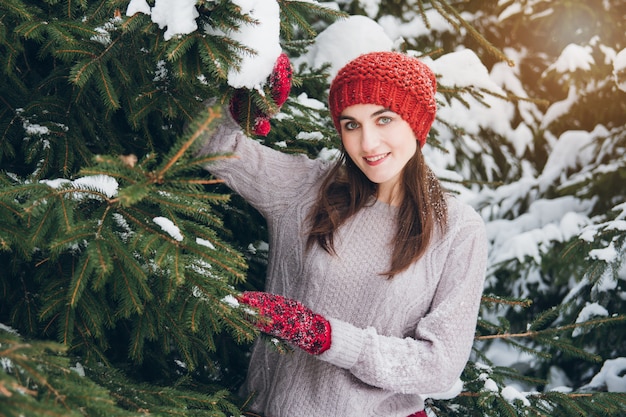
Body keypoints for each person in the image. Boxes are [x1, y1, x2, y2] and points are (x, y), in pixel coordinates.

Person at [198, 51, 488, 417]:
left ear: (416, 124)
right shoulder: (306, 188)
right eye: (351, 125)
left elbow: (439, 364)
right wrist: (240, 106)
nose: (367, 144)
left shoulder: (458, 229)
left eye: (384, 119)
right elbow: (206, 147)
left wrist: (328, 337)